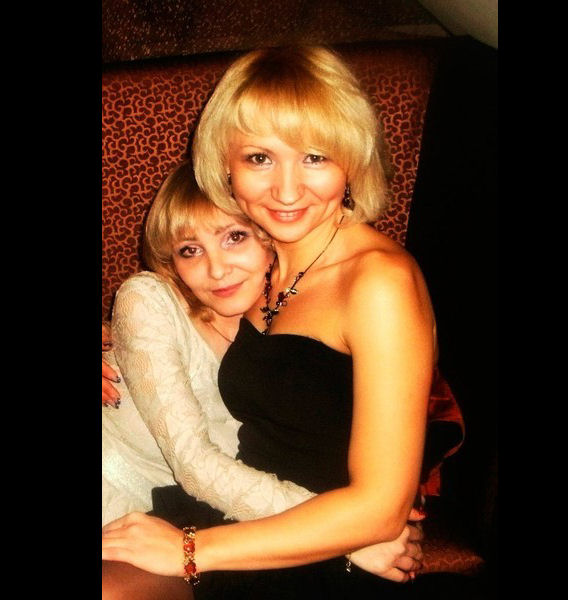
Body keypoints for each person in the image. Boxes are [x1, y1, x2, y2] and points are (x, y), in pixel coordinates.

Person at [102, 46, 462, 599]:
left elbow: (379, 509)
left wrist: (190, 551)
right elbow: (167, 314)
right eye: (259, 158)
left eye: (315, 156)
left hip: (319, 554)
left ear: (352, 160)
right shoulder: (264, 263)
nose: (287, 191)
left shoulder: (379, 282)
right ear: (224, 165)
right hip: (238, 519)